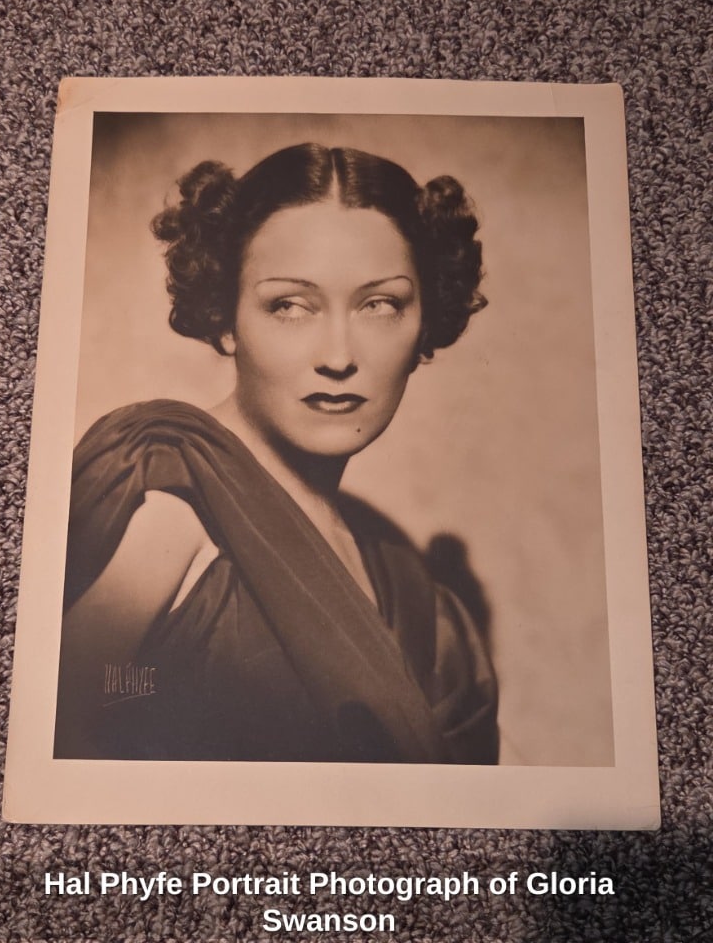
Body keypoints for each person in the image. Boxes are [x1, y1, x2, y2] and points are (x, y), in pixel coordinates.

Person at [54, 143, 498, 764]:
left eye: (380, 305)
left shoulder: (397, 571)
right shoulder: (171, 507)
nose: (338, 356)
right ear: (226, 316)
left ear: (425, 321)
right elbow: (60, 742)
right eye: (288, 305)